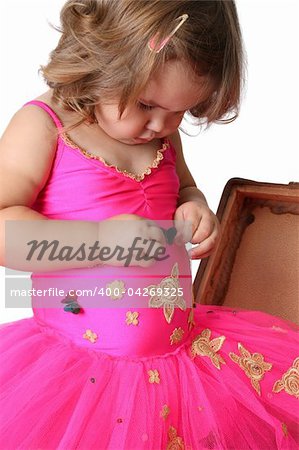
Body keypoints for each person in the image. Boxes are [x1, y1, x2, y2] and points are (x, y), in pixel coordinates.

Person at [0, 1, 298, 449]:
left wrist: (194, 208)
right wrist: (97, 242)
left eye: (181, 112)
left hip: (182, 355)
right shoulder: (45, 127)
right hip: (83, 369)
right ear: (98, 63)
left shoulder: (160, 130)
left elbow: (184, 188)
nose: (161, 125)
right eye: (146, 105)